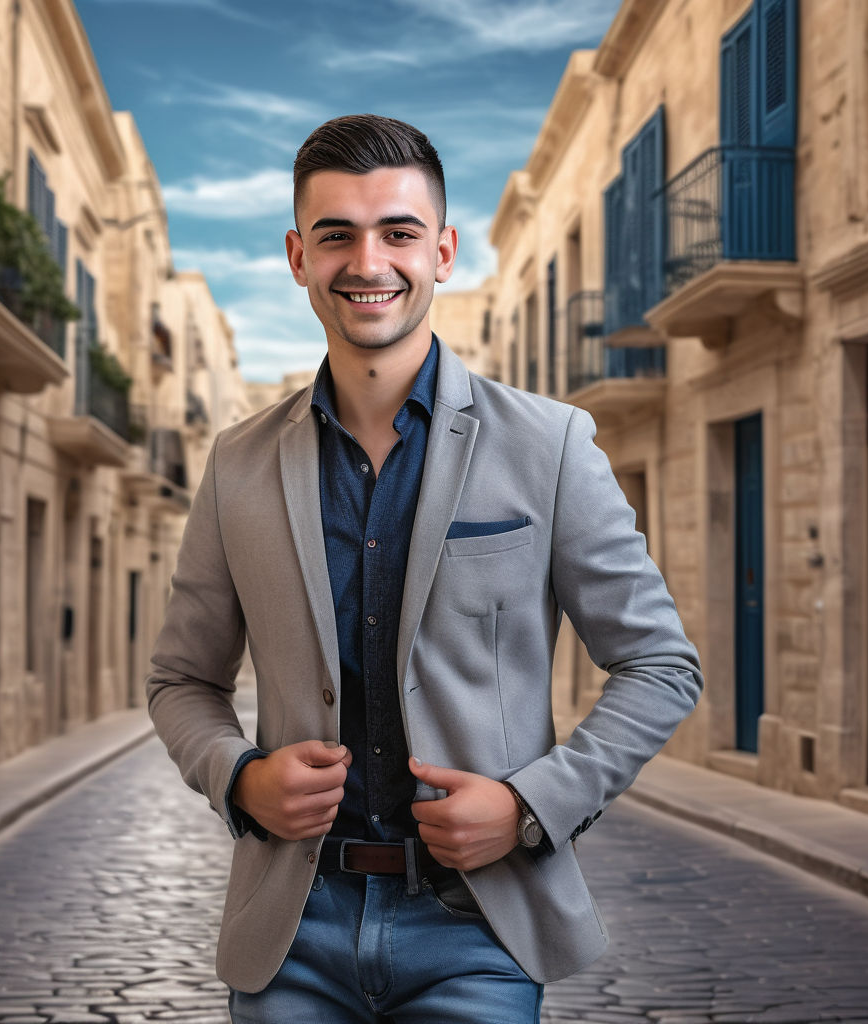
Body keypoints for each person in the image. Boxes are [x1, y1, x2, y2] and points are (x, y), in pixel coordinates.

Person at [147, 113, 703, 1024]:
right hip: (292, 931)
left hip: (478, 929)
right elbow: (180, 679)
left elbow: (660, 664)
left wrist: (530, 804)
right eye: (337, 236)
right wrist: (240, 777)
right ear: (298, 256)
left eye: (399, 232)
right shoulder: (237, 464)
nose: (369, 263)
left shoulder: (550, 446)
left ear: (441, 250)